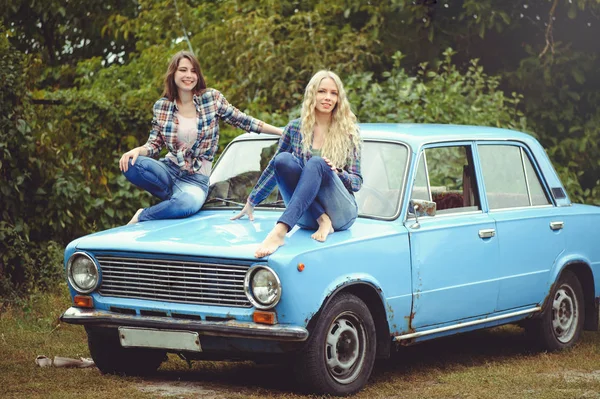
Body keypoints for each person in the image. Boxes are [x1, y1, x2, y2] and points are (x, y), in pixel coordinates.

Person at [119, 51, 283, 224]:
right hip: (168, 170)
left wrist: (281, 132)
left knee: (186, 204)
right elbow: (155, 143)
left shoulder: (211, 99)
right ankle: (173, 198)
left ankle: (142, 215)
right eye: (183, 70)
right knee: (129, 163)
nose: (189, 75)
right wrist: (138, 150)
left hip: (195, 181)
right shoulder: (162, 106)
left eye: (193, 71)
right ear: (173, 73)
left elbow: (244, 121)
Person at [232, 70, 362, 258]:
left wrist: (338, 172)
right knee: (283, 160)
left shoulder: (349, 133)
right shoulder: (294, 128)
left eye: (333, 93)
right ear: (312, 94)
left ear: (339, 99)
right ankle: (322, 219)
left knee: (317, 164)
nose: (327, 97)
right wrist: (252, 200)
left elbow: (357, 182)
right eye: (321, 91)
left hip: (341, 213)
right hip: (307, 217)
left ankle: (279, 231)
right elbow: (274, 169)